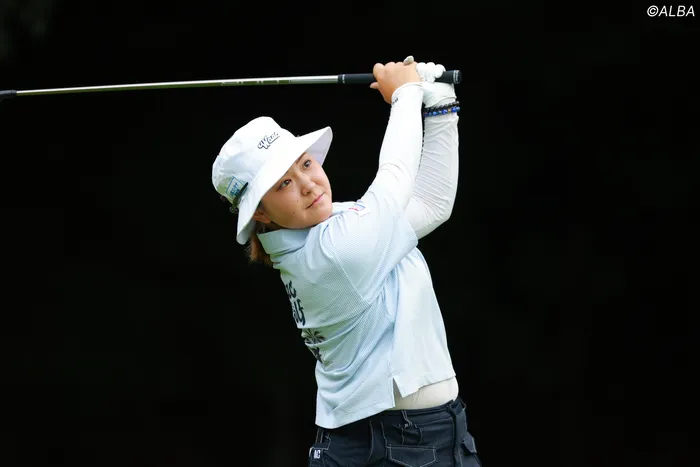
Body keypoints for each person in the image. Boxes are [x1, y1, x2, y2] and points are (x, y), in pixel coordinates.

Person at [212, 56, 482, 466]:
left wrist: (440, 106)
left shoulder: (330, 230)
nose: (308, 185)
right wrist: (406, 94)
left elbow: (431, 204)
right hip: (400, 444)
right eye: (284, 183)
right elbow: (395, 178)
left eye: (306, 164)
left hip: (407, 438)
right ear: (261, 213)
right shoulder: (336, 251)